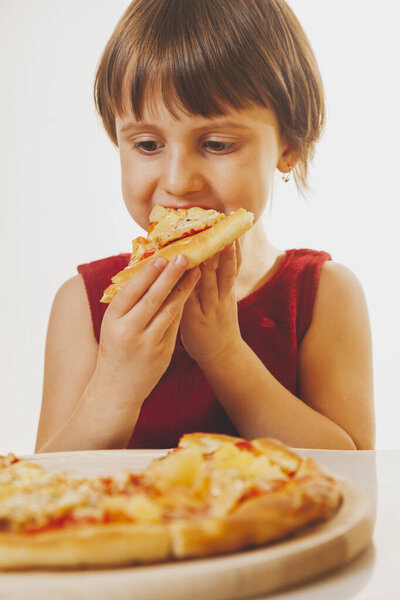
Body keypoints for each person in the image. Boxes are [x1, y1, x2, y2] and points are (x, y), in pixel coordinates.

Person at [35, 0, 374, 453]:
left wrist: (224, 353)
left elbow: (352, 471)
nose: (177, 180)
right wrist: (116, 384)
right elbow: (44, 487)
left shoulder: (321, 294)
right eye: (148, 143)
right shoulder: (83, 305)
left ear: (288, 144)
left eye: (216, 144)